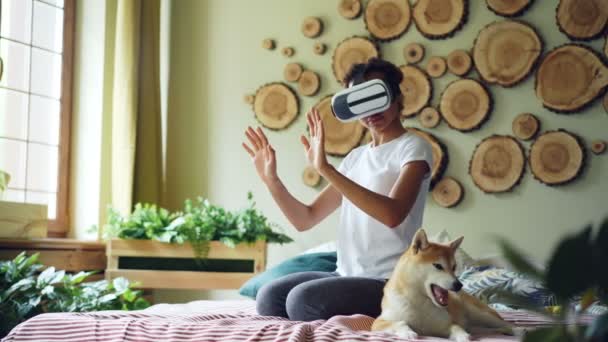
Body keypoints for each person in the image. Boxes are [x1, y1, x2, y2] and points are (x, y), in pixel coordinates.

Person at [241, 58, 433, 322]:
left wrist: (326, 169)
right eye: (360, 100)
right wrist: (271, 180)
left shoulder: (413, 147)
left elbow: (393, 214)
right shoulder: (355, 158)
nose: (371, 110)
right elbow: (305, 219)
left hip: (389, 280)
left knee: (301, 301)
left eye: (377, 96)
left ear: (397, 97)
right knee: (269, 296)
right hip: (345, 273)